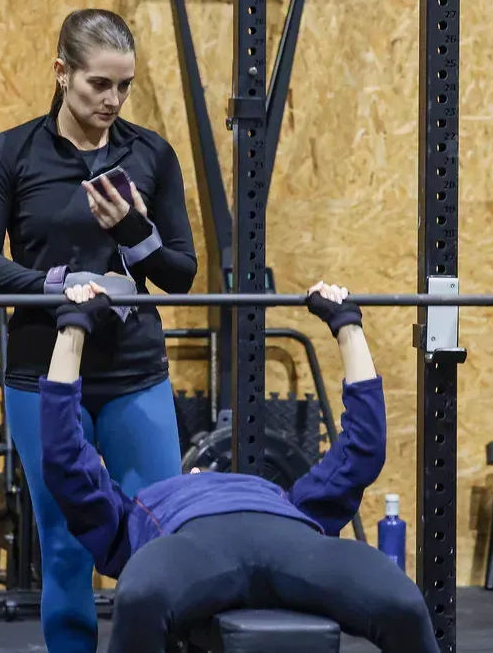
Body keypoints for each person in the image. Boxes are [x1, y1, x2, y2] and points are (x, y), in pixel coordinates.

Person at [0, 8, 197, 652]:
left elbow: (180, 274)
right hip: (44, 377)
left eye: (124, 86)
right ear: (61, 73)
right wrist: (59, 286)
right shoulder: (12, 152)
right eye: (99, 84)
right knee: (64, 543)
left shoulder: (150, 154)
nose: (113, 100)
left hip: (133, 373)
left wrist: (133, 233)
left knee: (156, 537)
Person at [39, 280, 439, 653]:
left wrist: (348, 325)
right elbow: (65, 457)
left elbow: (363, 447)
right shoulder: (133, 518)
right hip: (189, 548)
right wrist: (72, 328)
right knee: (140, 598)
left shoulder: (293, 503)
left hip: (295, 546)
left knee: (403, 603)